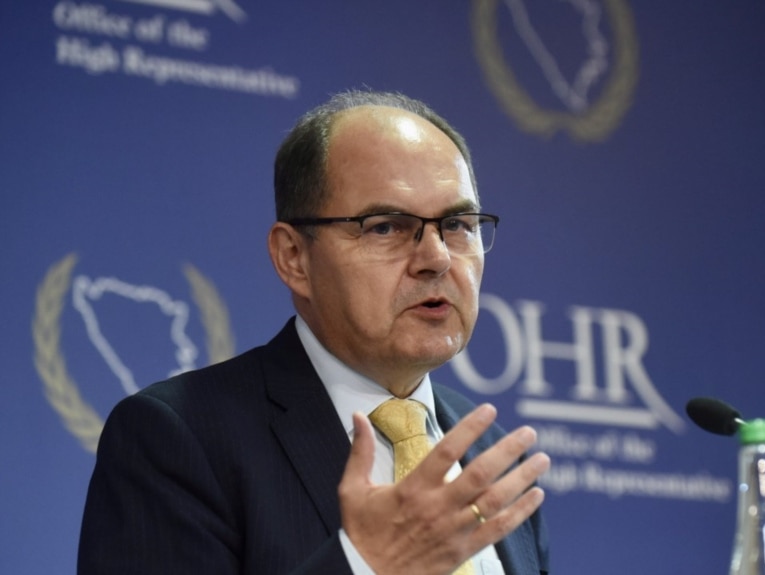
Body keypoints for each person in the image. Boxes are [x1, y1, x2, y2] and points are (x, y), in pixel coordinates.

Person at [78, 89, 551, 575]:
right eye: (385, 227)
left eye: (457, 224)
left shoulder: (497, 458)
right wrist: (364, 564)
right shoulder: (179, 438)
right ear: (294, 258)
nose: (437, 258)